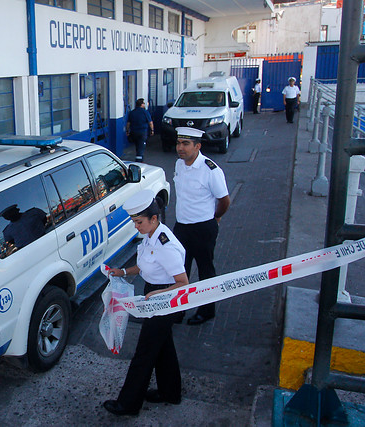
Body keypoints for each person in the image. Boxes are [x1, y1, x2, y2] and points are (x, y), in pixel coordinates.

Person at [103, 190, 189, 416]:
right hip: (154, 293)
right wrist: (121, 272)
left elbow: (183, 283)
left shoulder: (165, 245)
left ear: (154, 218)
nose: (136, 226)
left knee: (144, 353)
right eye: (134, 222)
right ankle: (170, 393)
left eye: (139, 222)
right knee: (163, 348)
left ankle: (127, 404)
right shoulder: (150, 236)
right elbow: (143, 267)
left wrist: (158, 295)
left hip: (165, 300)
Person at [172, 127, 230, 326]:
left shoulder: (210, 170)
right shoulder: (179, 164)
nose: (180, 147)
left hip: (203, 228)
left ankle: (206, 311)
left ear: (198, 146)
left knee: (206, 271)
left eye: (186, 144)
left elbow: (224, 200)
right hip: (181, 227)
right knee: (179, 271)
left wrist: (216, 218)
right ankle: (178, 311)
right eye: (179, 143)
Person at [126, 98, 154, 162]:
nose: (144, 105)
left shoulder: (132, 112)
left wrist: (127, 131)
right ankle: (139, 160)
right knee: (141, 146)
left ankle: (138, 156)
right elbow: (150, 122)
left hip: (134, 132)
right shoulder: (145, 112)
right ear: (141, 105)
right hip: (142, 132)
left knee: (137, 145)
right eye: (143, 103)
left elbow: (128, 123)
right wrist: (152, 130)